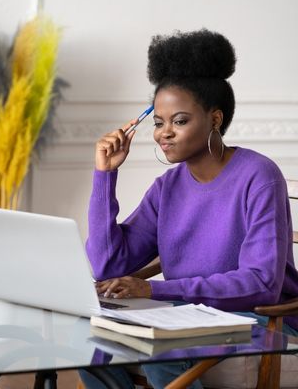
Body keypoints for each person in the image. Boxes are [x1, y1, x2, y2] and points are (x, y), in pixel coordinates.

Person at [81, 29, 298, 389]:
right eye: (159, 122)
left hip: (264, 319)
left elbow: (261, 284)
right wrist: (105, 175)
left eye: (179, 121)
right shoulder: (168, 187)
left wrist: (154, 291)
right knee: (89, 341)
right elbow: (109, 264)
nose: (165, 133)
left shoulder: (259, 176)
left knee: (160, 349)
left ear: (214, 119)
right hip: (188, 315)